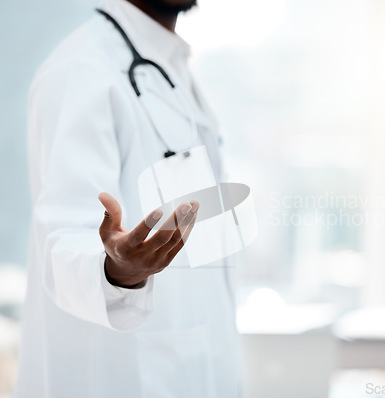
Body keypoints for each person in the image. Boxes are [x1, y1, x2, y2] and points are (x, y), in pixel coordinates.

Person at [14, 0, 242, 397]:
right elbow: (66, 239)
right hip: (117, 378)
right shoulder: (82, 69)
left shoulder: (173, 66)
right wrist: (119, 270)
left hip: (197, 365)